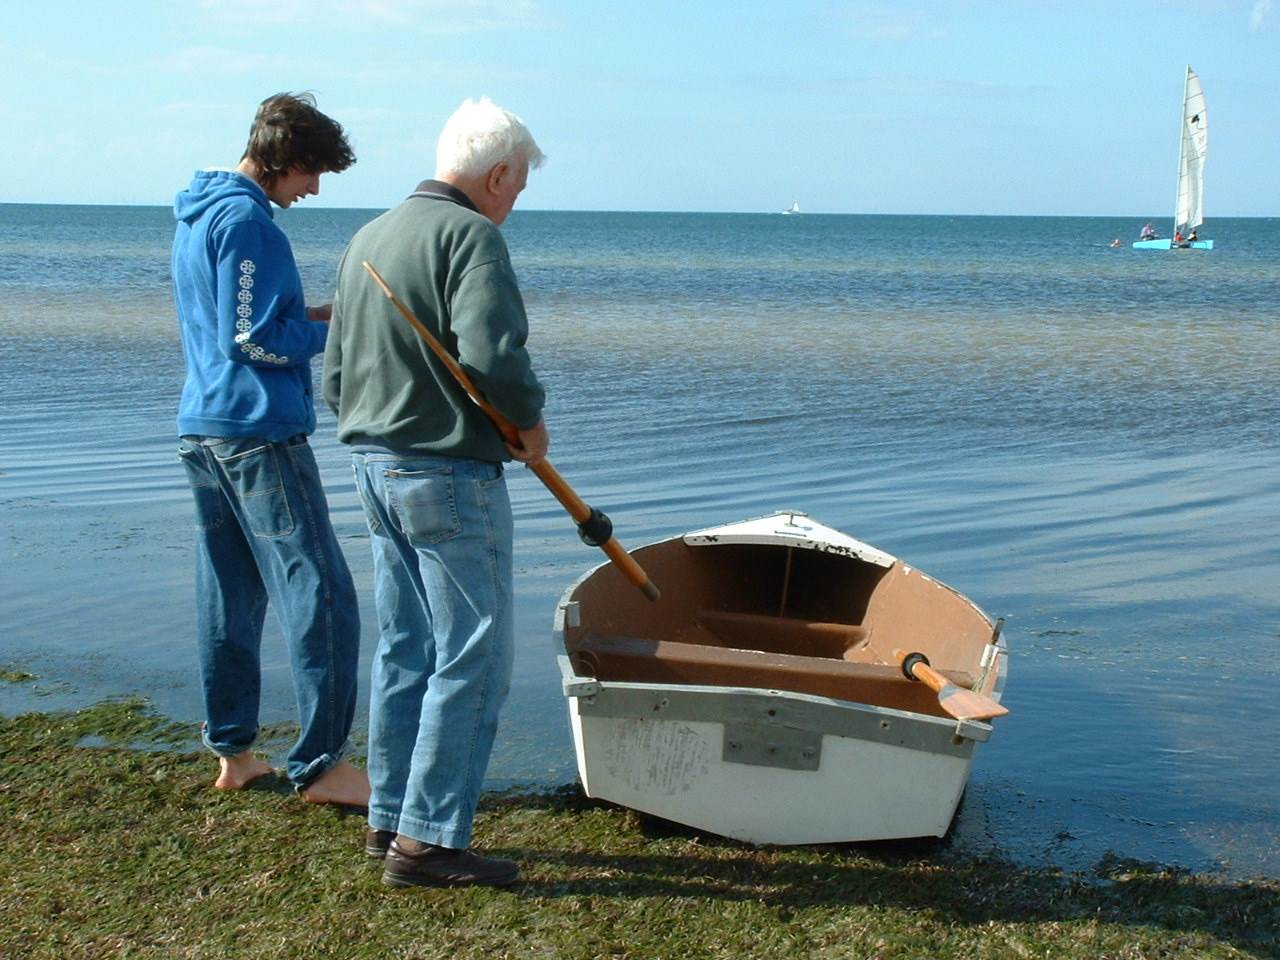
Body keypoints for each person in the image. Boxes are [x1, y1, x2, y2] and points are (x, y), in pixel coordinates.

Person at [324, 96, 547, 888]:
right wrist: (529, 424)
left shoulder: (369, 237)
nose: (512, 205)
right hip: (447, 475)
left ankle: (391, 819)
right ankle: (427, 844)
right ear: (497, 175)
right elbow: (492, 356)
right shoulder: (470, 235)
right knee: (472, 654)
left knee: (406, 647)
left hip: (371, 466)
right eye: (517, 189)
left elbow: (336, 375)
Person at [172, 92, 369, 807]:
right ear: (284, 158)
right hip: (256, 434)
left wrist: (322, 315)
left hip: (205, 427)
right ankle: (322, 766)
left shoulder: (200, 215)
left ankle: (234, 752)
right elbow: (251, 341)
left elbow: (240, 321)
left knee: (230, 591)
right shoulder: (248, 222)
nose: (314, 188)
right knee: (324, 593)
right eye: (312, 171)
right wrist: (338, 333)